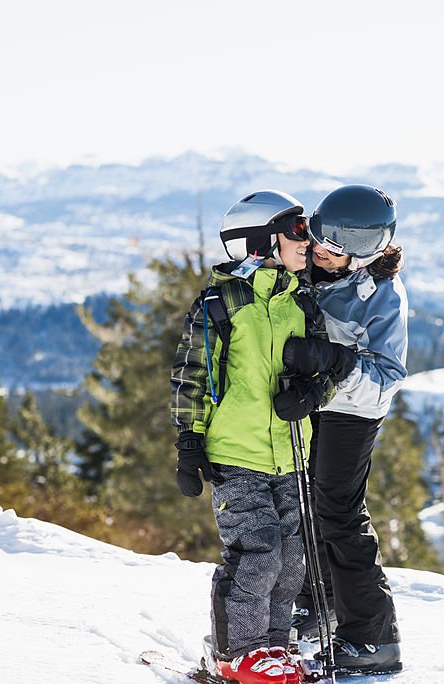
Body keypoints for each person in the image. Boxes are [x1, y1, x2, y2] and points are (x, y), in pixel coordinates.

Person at [170, 189, 356, 684]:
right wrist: (189, 441)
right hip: (236, 452)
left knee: (292, 558)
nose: (309, 239)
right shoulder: (221, 300)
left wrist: (312, 390)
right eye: (297, 230)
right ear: (259, 240)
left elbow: (330, 369)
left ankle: (275, 647)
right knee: (258, 553)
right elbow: (192, 373)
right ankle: (237, 653)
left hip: (290, 454)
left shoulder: (302, 300)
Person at [284, 184, 408, 675]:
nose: (323, 250)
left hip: (353, 412)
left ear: (367, 251)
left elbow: (385, 381)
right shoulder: (305, 270)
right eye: (320, 236)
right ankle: (320, 600)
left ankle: (373, 636)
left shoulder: (382, 296)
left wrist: (334, 364)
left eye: (339, 246)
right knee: (301, 504)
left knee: (337, 512)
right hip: (315, 401)